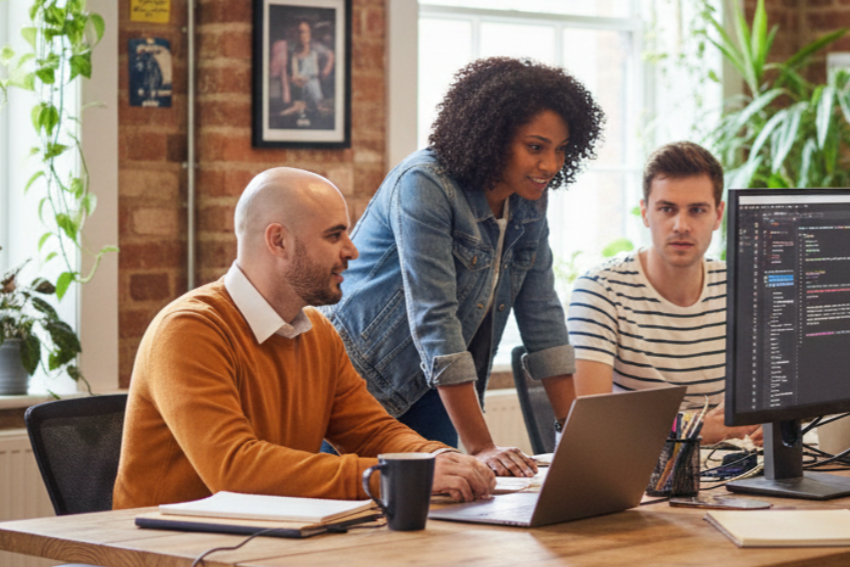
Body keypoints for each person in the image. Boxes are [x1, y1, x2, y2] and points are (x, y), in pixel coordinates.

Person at [113, 168, 495, 509]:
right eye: (334, 235)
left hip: (262, 541)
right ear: (278, 241)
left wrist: (438, 460)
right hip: (167, 553)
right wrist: (391, 478)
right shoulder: (189, 330)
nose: (352, 250)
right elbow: (234, 470)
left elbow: (370, 430)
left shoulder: (318, 332)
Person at [322, 57, 604, 476]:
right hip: (363, 384)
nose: (550, 165)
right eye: (535, 147)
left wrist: (577, 435)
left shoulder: (530, 200)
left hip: (439, 386)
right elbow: (435, 318)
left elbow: (542, 314)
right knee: (355, 518)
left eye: (561, 149)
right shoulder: (425, 184)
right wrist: (482, 446)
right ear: (494, 138)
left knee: (440, 524)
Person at [567, 141, 760, 445]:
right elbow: (592, 423)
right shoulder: (599, 290)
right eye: (667, 209)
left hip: (733, 469)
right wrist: (691, 430)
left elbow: (771, 396)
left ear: (718, 215)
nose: (681, 225)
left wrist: (769, 421)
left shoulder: (742, 284)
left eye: (697, 210)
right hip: (640, 470)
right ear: (645, 213)